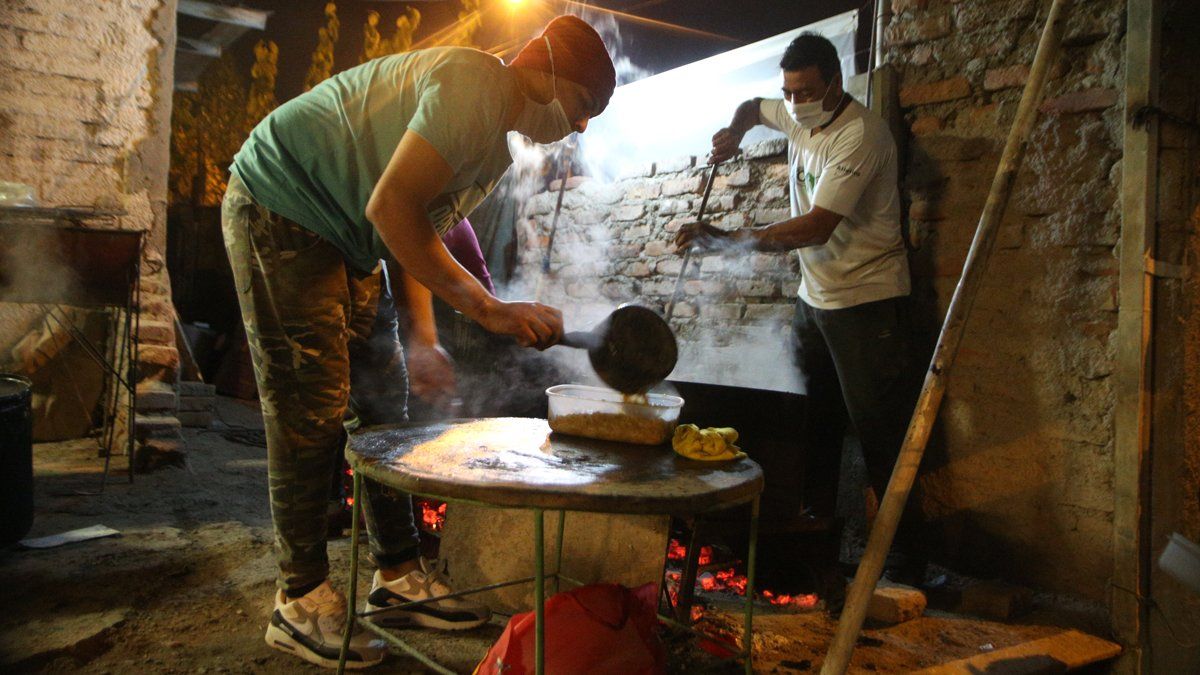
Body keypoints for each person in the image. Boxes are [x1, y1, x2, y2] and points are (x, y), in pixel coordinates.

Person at [222, 15, 615, 668]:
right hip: (282, 202)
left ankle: (398, 576)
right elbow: (391, 208)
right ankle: (299, 598)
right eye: (582, 106)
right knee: (311, 406)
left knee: (384, 407)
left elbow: (413, 233)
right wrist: (487, 307)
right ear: (546, 67)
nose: (580, 127)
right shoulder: (474, 85)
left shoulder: (495, 141)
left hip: (347, 235)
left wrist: (425, 341)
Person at [674, 33, 925, 589]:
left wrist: (726, 239)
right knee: (812, 421)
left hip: (867, 301)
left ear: (834, 83)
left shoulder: (859, 135)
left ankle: (907, 557)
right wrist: (735, 133)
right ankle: (815, 534)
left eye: (806, 91)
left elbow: (815, 227)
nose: (794, 102)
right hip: (815, 301)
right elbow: (751, 107)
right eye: (788, 92)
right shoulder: (795, 114)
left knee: (880, 432)